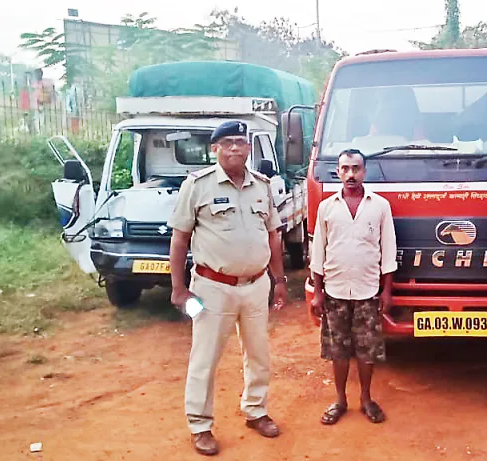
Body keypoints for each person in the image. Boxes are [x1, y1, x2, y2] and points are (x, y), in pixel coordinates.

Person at [167, 120, 289, 456]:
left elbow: (273, 236)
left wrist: (279, 281)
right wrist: (179, 289)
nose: (236, 148)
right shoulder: (198, 185)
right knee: (205, 359)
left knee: (258, 354)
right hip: (211, 288)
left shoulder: (262, 186)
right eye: (228, 143)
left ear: (249, 147)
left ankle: (256, 410)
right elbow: (179, 239)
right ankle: (200, 425)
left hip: (255, 285)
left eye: (241, 142)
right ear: (214, 148)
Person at [309, 149, 398, 426]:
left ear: (364, 172)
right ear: (337, 172)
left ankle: (366, 399)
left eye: (356, 168)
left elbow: (388, 250)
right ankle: (339, 400)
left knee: (367, 350)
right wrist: (318, 292)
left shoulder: (380, 206)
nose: (351, 174)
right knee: (338, 350)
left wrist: (386, 291)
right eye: (345, 168)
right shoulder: (326, 207)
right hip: (334, 291)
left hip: (368, 291)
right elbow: (318, 253)